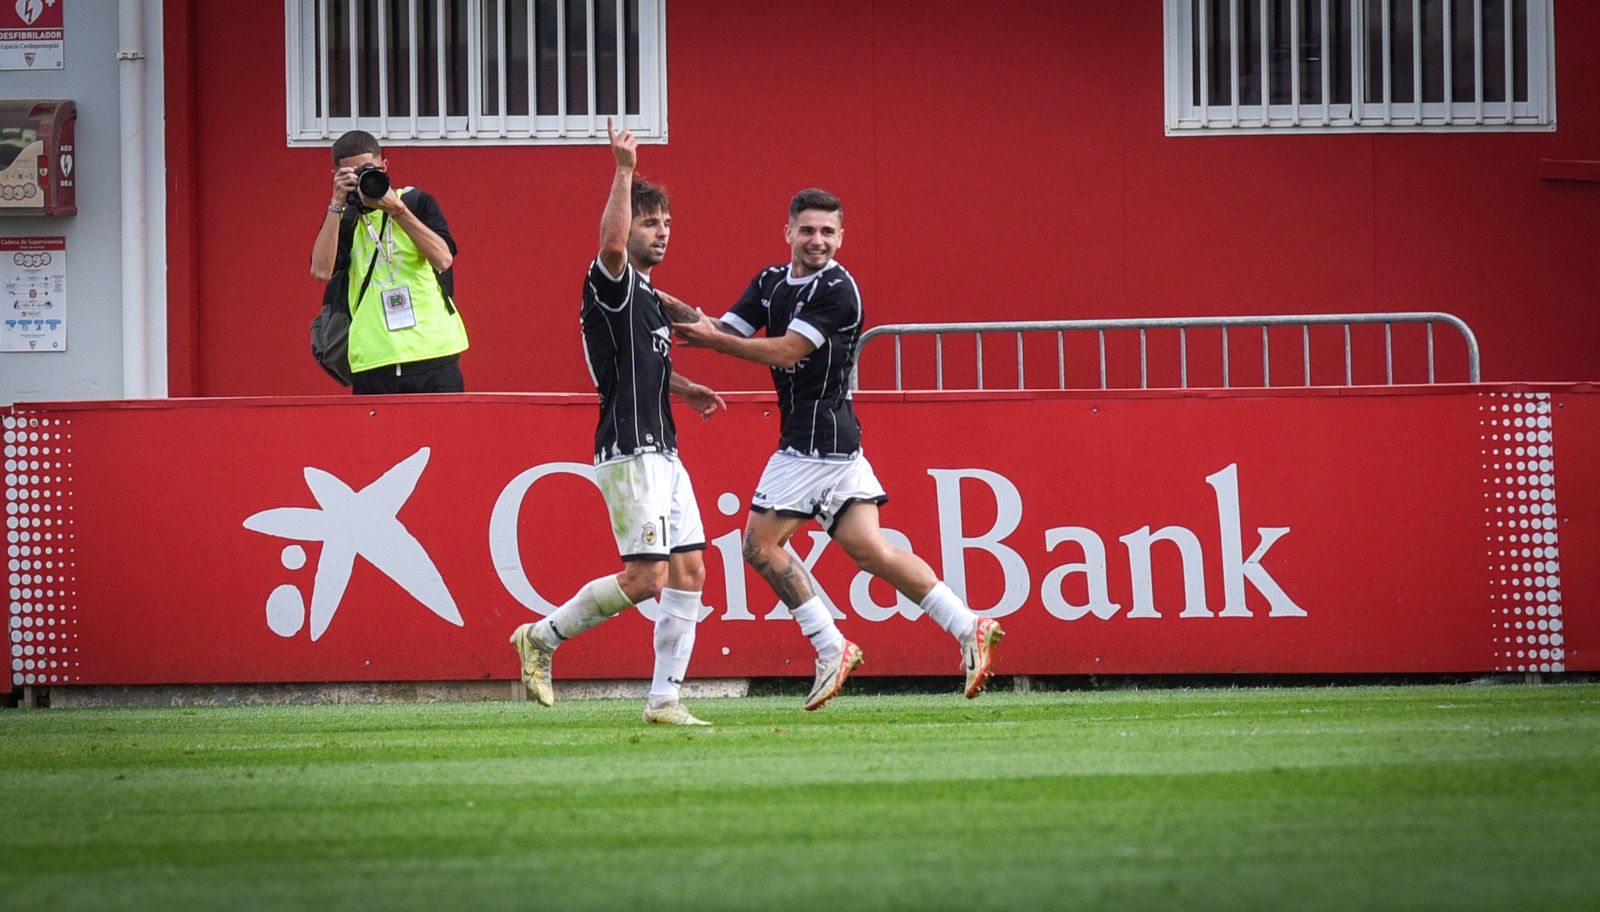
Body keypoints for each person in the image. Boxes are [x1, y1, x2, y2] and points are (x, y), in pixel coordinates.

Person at [670, 188, 1004, 711]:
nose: (817, 240)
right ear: (788, 233)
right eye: (808, 230)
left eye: (828, 232)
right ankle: (969, 625)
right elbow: (720, 329)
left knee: (759, 546)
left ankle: (831, 646)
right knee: (870, 549)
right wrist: (655, 301)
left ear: (841, 237)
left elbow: (784, 352)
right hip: (837, 442)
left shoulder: (839, 290)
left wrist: (712, 341)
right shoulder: (770, 281)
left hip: (813, 444)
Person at [509, 117, 727, 726]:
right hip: (631, 449)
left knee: (690, 570)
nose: (660, 232)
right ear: (627, 223)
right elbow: (608, 247)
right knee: (646, 578)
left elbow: (644, 365)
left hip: (666, 450)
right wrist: (624, 171)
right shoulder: (611, 281)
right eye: (649, 221)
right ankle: (542, 638)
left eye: (665, 224)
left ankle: (664, 701)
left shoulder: (650, 299)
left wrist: (686, 388)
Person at [309, 130, 468, 394]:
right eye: (350, 175)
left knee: (442, 435)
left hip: (434, 352)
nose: (361, 181)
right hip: (373, 359)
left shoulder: (415, 202)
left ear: (384, 166)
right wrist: (336, 204)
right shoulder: (345, 219)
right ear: (336, 177)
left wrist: (397, 210)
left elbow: (443, 258)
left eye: (367, 171)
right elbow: (321, 271)